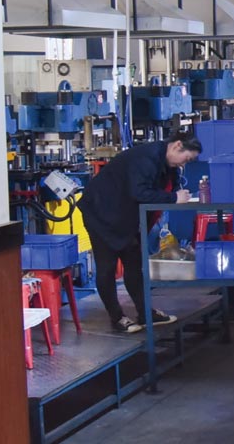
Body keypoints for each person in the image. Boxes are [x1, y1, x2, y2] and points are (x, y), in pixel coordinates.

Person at [78, 132, 201, 332]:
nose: (183, 164)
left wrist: (177, 194)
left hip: (125, 214)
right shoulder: (146, 158)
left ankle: (145, 313)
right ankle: (117, 318)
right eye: (185, 159)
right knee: (107, 266)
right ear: (177, 145)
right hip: (101, 212)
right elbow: (140, 192)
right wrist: (173, 198)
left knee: (134, 264)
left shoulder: (166, 163)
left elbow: (170, 186)